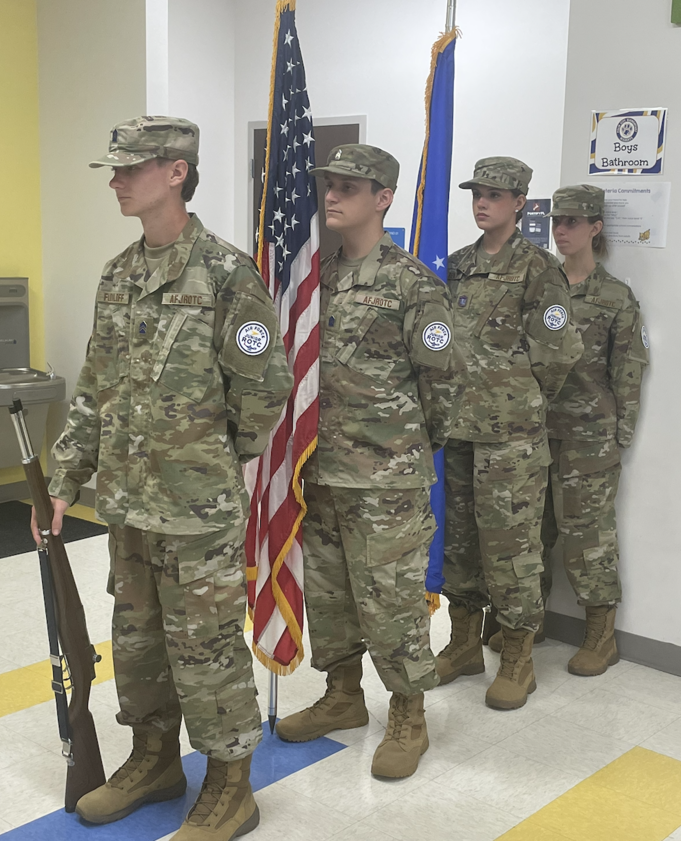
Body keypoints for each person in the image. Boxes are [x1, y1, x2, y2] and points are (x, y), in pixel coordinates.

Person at [36, 116, 293, 841]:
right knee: (141, 643)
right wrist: (63, 479)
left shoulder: (226, 273)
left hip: (195, 508)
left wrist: (207, 456)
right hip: (127, 506)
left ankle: (230, 784)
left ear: (176, 172)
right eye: (114, 168)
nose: (115, 179)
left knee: (206, 649)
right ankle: (153, 760)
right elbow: (96, 387)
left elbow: (265, 389)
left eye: (129, 167)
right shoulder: (118, 275)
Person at [274, 145, 467, 778]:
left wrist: (401, 451)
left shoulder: (411, 282)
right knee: (329, 594)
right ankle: (343, 696)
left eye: (350, 187)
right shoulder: (312, 280)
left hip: (386, 479)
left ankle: (408, 714)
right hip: (319, 472)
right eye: (330, 185)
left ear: (383, 197)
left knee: (391, 600)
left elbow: (444, 384)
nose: (333, 195)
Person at [435, 156, 582, 711]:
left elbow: (560, 350)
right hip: (461, 431)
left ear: (520, 202)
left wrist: (517, 396)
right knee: (462, 544)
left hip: (513, 439)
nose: (482, 202)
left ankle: (518, 657)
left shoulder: (540, 269)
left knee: (512, 548)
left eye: (495, 195)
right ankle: (464, 644)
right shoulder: (455, 266)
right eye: (477, 193)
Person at [540, 184, 649, 675]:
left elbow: (628, 369)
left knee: (588, 538)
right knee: (528, 532)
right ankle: (527, 622)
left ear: (595, 228)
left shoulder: (615, 297)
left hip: (589, 436)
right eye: (556, 222)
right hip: (533, 430)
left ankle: (600, 636)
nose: (561, 231)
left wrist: (620, 435)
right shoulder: (539, 286)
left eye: (572, 223)